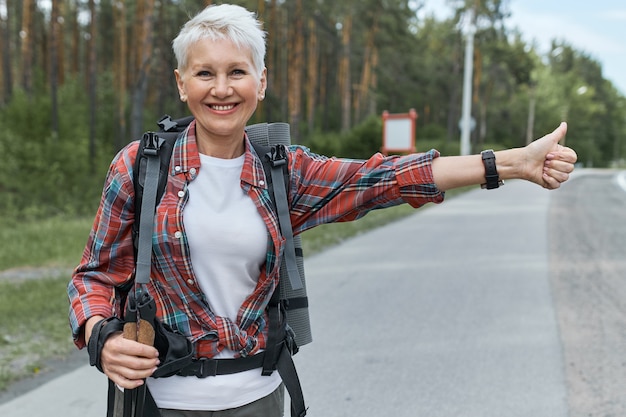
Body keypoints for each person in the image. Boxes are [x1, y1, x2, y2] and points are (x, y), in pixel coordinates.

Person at [67, 3, 577, 417]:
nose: (221, 88)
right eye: (205, 73)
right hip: (159, 404)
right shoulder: (140, 166)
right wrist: (100, 337)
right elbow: (94, 276)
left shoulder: (283, 172)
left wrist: (509, 163)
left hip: (258, 400)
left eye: (237, 72)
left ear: (260, 83)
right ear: (182, 84)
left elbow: (384, 179)